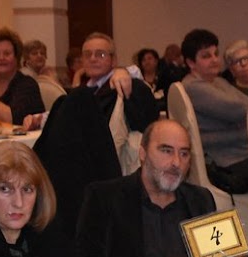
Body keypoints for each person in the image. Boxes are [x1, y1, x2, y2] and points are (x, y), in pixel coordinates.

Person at [32, 33, 156, 236]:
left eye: (100, 54)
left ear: (113, 60)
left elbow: (148, 122)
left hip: (102, 166)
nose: (93, 59)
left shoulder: (126, 85)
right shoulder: (84, 89)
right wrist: (38, 118)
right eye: (87, 54)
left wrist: (126, 73)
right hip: (78, 165)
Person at [76, 119, 217, 257]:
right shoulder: (106, 198)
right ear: (142, 153)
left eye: (184, 154)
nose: (176, 162)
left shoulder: (200, 200)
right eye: (166, 151)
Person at [181, 28, 248, 195]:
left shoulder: (217, 81)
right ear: (191, 63)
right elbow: (241, 109)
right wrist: (243, 123)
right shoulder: (193, 87)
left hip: (240, 154)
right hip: (227, 162)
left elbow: (247, 104)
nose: (215, 60)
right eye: (206, 56)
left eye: (216, 54)